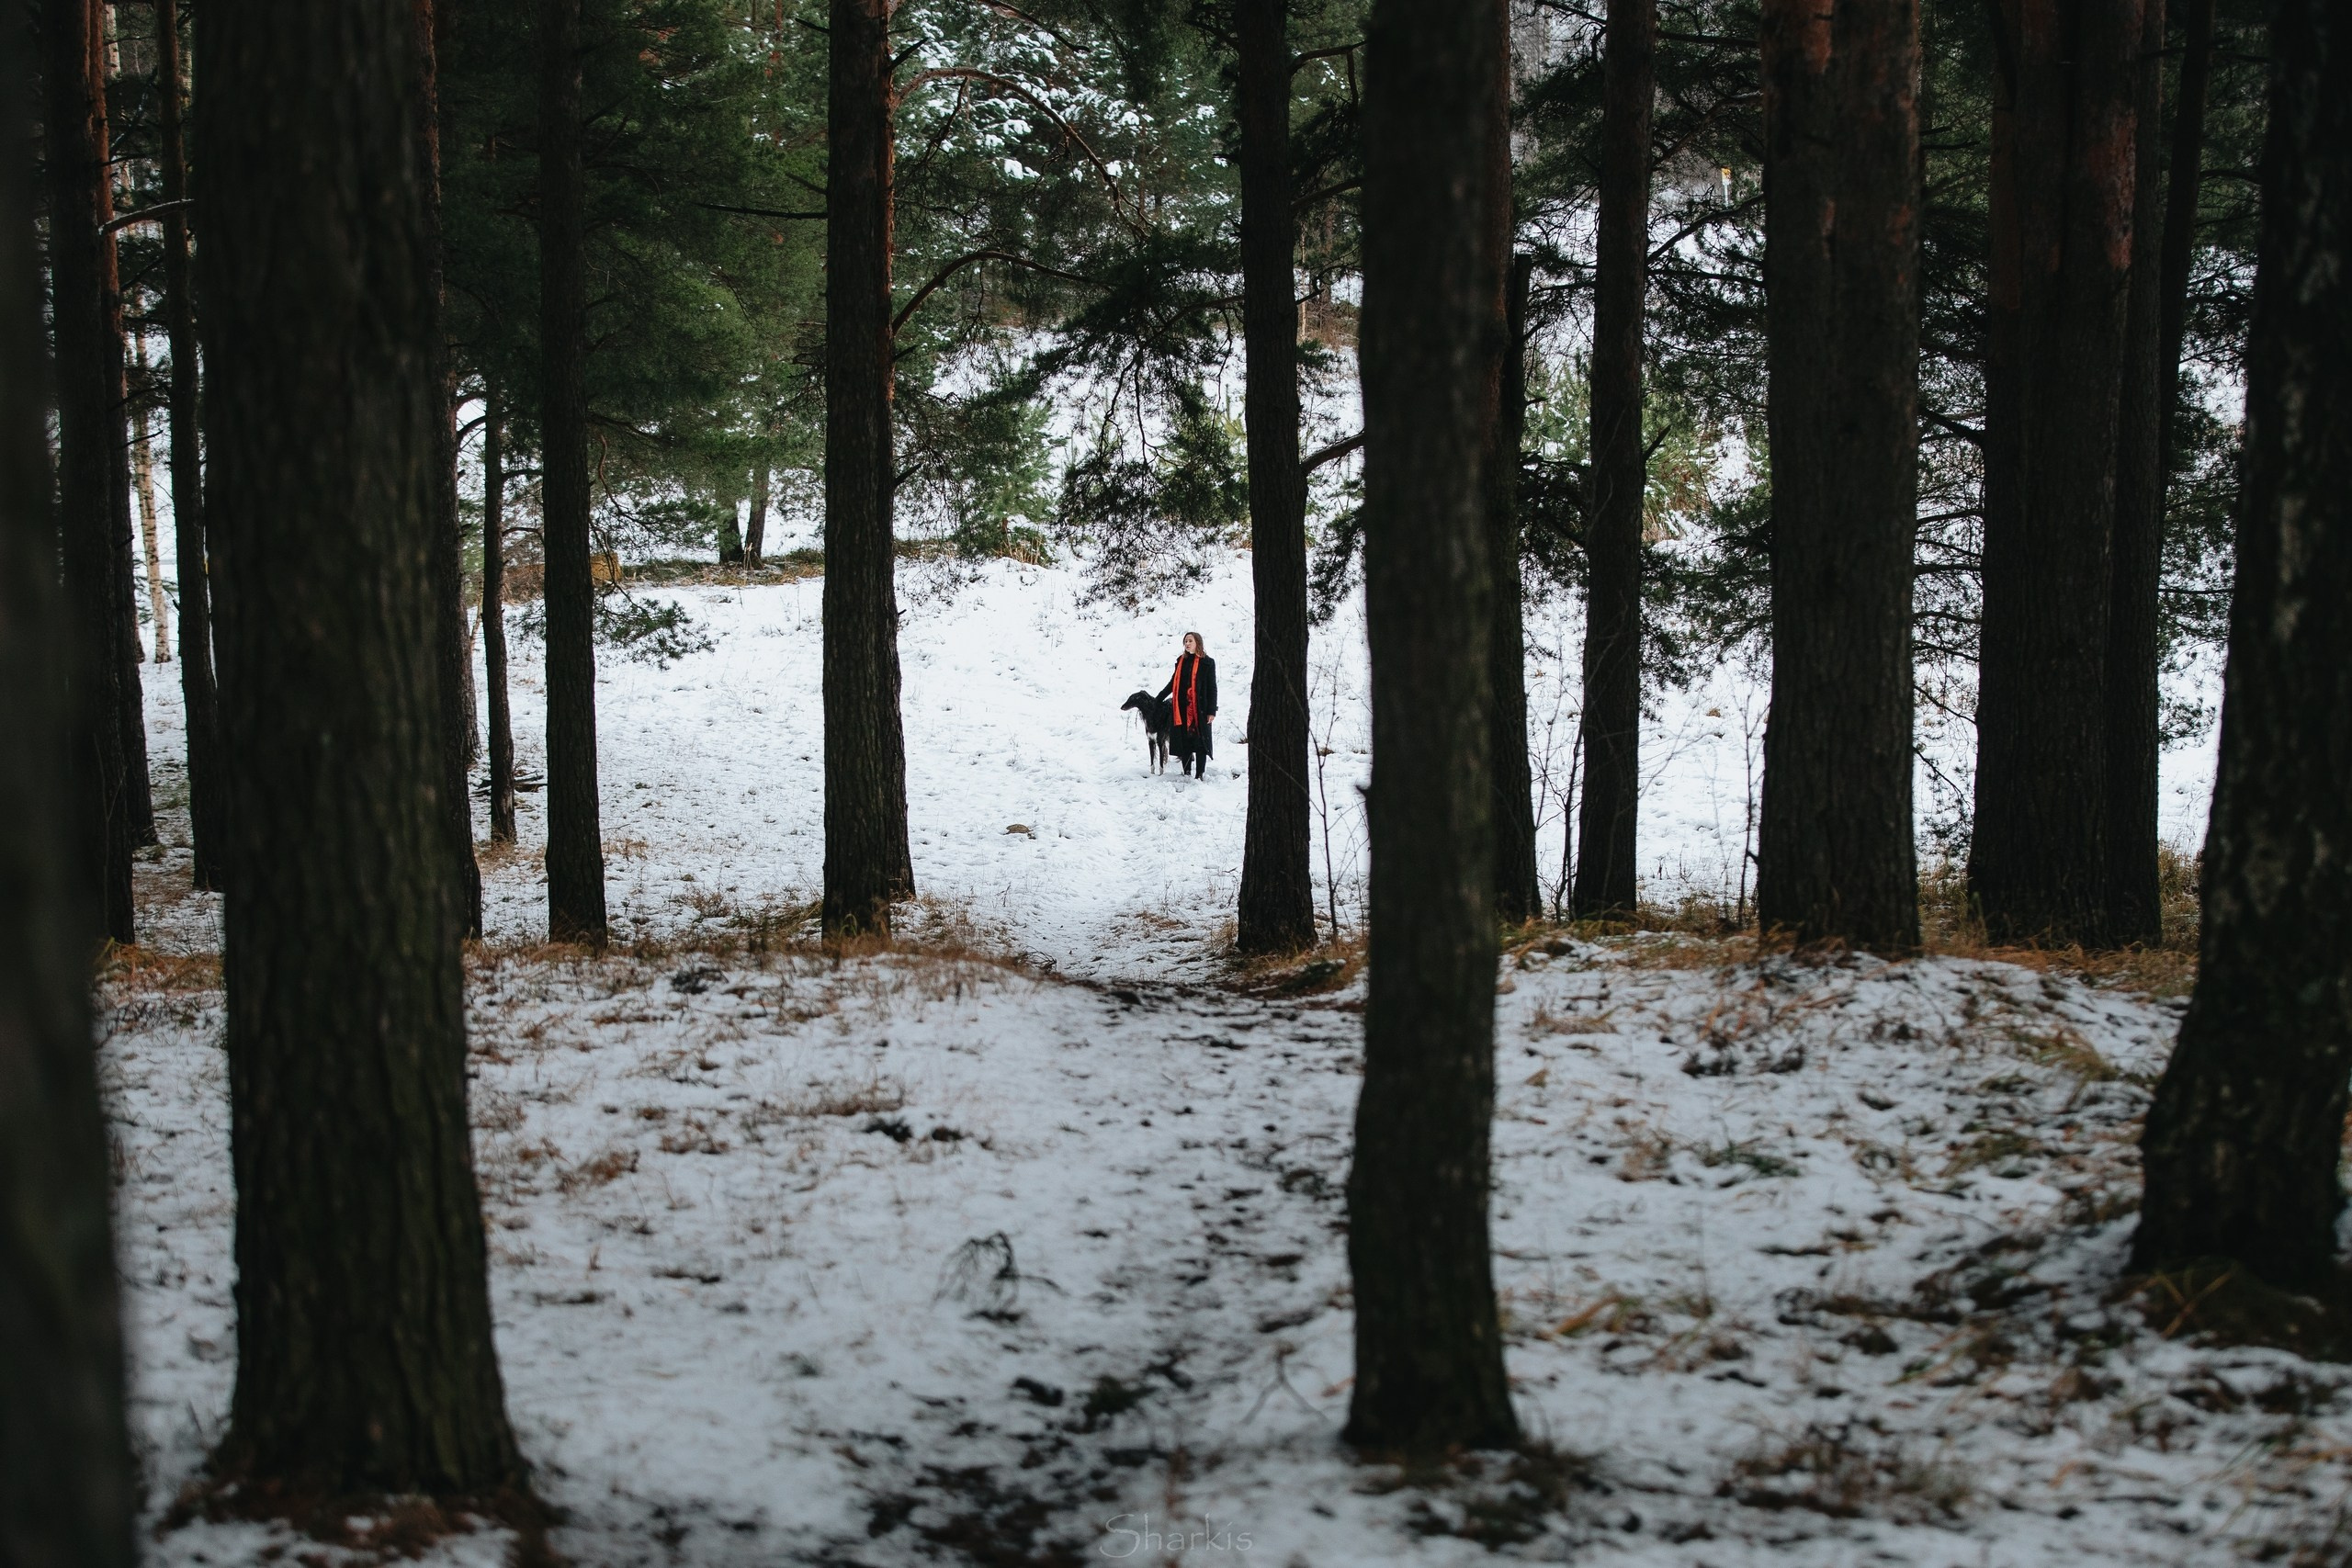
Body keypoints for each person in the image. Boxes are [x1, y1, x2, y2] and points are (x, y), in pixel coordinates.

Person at [1158, 631, 1218, 779]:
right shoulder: (1181, 661)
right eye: (1185, 641)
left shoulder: (1207, 662)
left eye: (1190, 641)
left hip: (1200, 709)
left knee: (1200, 742)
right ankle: (1186, 772)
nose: (1187, 644)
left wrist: (1212, 711)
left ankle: (1200, 773)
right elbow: (1173, 683)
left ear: (1198, 642)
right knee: (1184, 740)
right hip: (1182, 709)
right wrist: (1159, 698)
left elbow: (1212, 688)